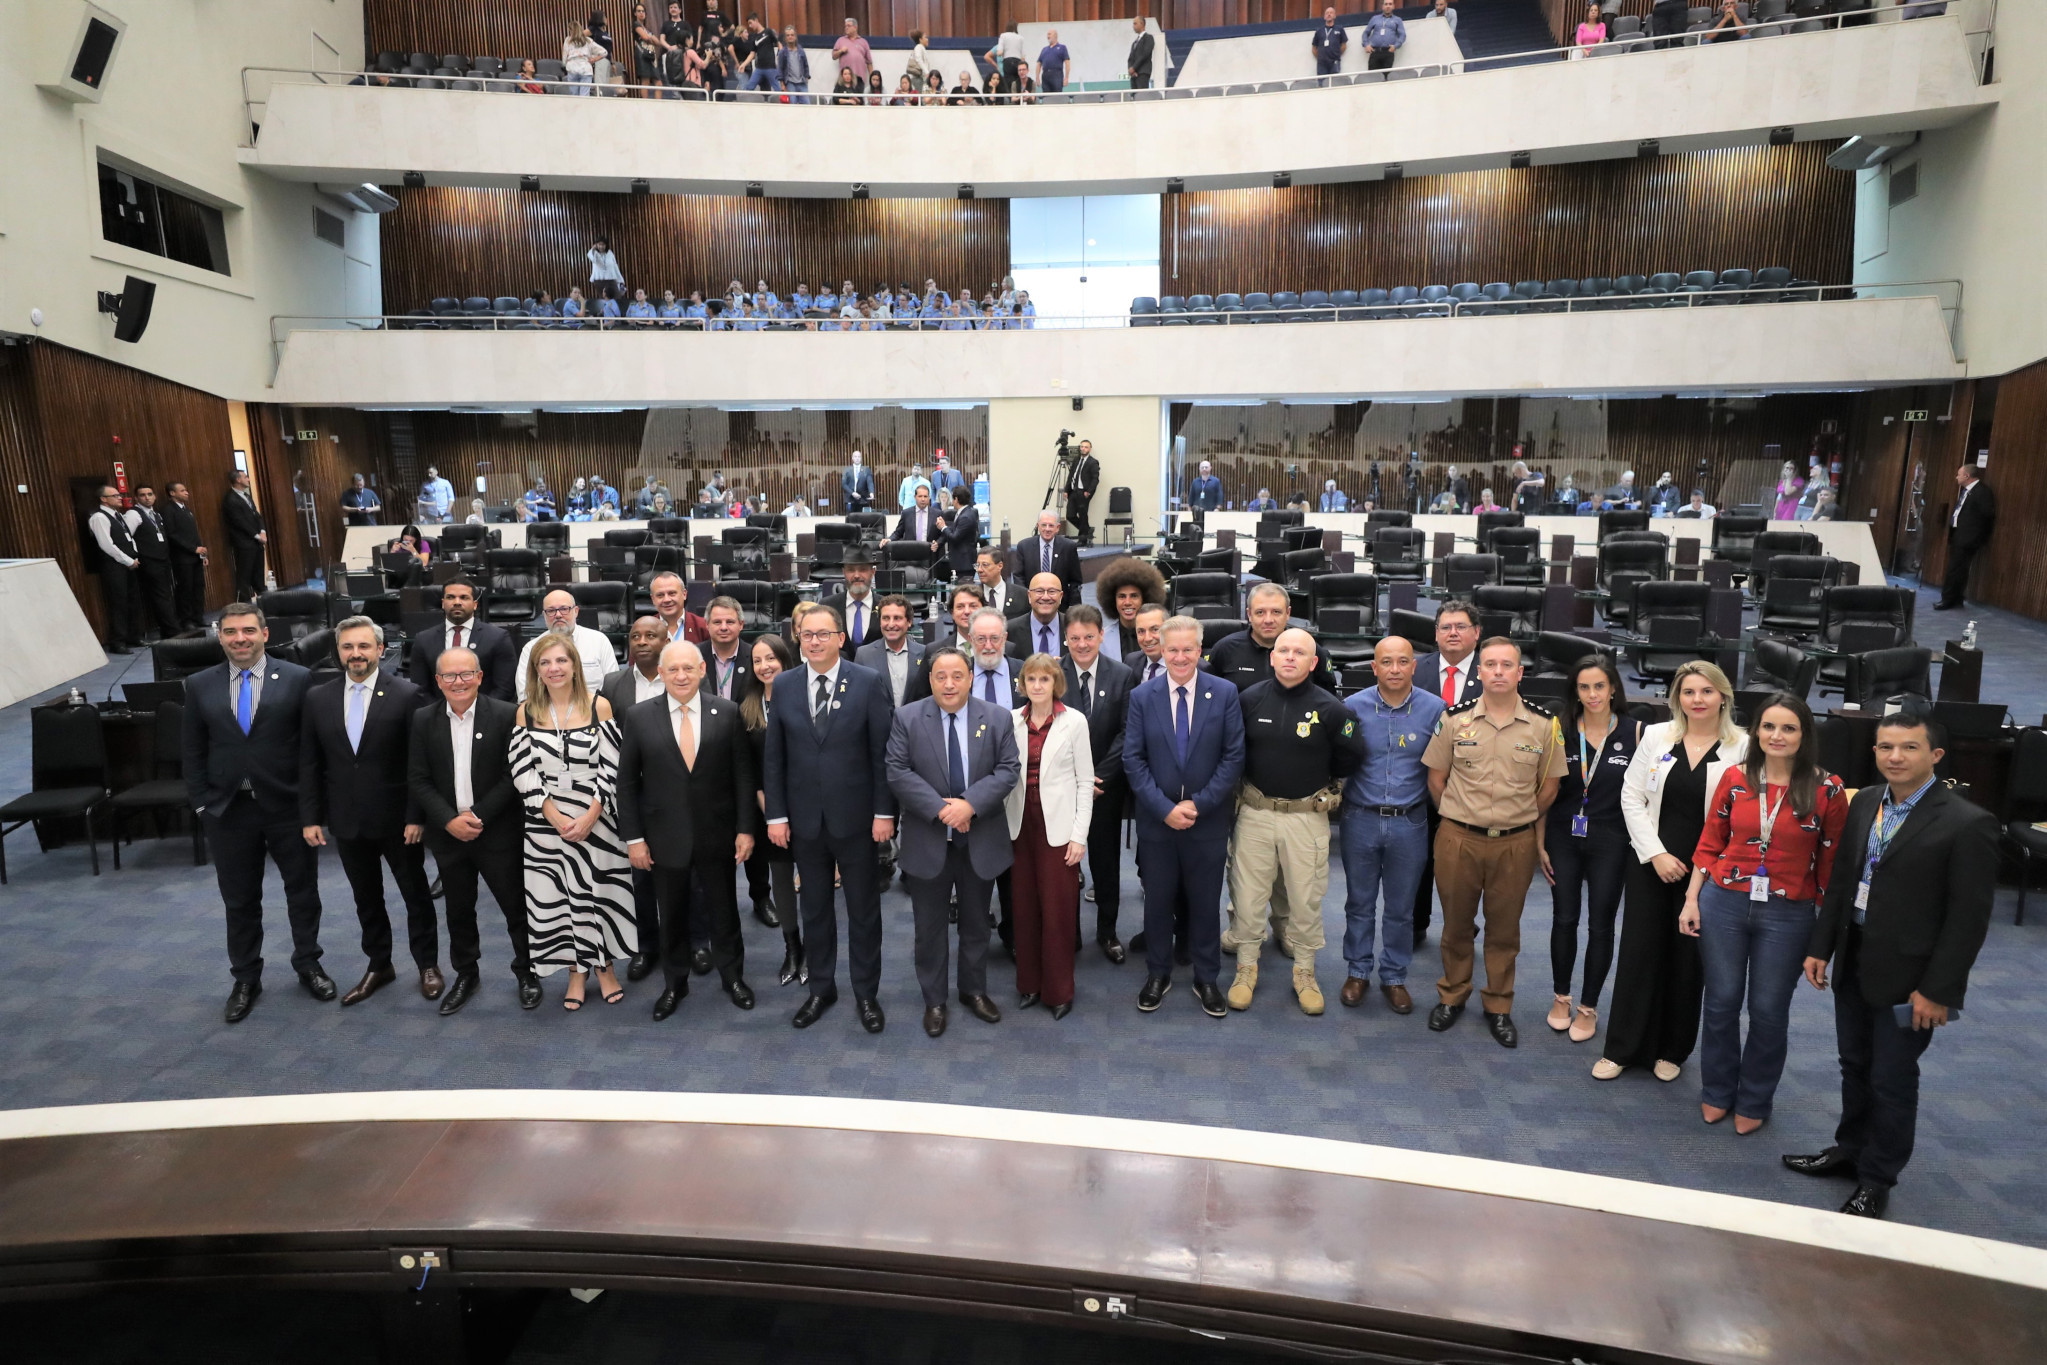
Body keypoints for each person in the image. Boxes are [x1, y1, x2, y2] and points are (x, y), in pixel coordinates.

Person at [1786, 714, 1996, 1219]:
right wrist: (1821, 947)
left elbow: (1967, 920)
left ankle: (1878, 1178)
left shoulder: (1968, 823)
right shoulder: (1865, 802)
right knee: (1854, 1066)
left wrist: (1939, 991)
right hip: (1855, 957)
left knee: (1892, 1079)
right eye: (1885, 747)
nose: (1895, 757)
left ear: (1935, 756)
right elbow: (1842, 883)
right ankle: (1850, 1151)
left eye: (1908, 747)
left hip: (1912, 979)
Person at [1684, 693, 1847, 1133]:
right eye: (1769, 726)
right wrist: (1692, 898)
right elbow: (1709, 842)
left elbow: (1833, 865)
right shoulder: (1736, 778)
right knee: (1720, 1003)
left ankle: (1755, 1099)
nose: (1777, 736)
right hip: (1724, 902)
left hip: (1788, 913)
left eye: (1788, 728)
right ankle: (1717, 1092)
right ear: (1756, 731)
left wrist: (1824, 938)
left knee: (1768, 1010)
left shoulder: (1827, 789)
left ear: (1803, 735)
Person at [1599, 660, 1747, 1082]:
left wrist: (1703, 869)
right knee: (1638, 954)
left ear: (1723, 696)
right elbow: (1631, 797)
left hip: (1710, 871)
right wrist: (1656, 854)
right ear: (1676, 698)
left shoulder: (1744, 747)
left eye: (1706, 692)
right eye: (1688, 692)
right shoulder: (1658, 735)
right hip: (1652, 862)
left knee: (1688, 962)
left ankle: (1672, 1050)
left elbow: (1742, 819)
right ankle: (1621, 1048)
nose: (1697, 700)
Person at [184, 602, 328, 1023]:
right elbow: (192, 750)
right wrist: (201, 804)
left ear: (265, 633)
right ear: (220, 636)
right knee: (240, 900)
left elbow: (310, 751)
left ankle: (308, 964)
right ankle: (246, 977)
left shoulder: (299, 678)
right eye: (230, 632)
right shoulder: (198, 684)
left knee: (302, 893)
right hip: (229, 812)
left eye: (248, 630)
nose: (239, 639)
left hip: (287, 807)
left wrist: (311, 810)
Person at [1420, 637, 1564, 1047]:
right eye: (1490, 664)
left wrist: (1514, 817)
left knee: (1504, 930)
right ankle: (1453, 994)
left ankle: (1499, 1005)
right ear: (1478, 672)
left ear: (1520, 673)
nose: (1498, 671)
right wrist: (1462, 815)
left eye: (1507, 665)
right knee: (1456, 925)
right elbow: (1436, 779)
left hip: (1514, 844)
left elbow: (1550, 788)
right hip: (1458, 838)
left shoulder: (1543, 725)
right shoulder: (1453, 719)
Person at [763, 604, 897, 1033]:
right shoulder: (783, 685)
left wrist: (883, 813)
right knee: (815, 909)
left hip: (858, 820)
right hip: (804, 822)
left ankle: (866, 993)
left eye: (823, 634)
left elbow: (883, 754)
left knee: (863, 910)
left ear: (841, 638)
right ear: (798, 639)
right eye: (807, 635)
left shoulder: (868, 682)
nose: (815, 641)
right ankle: (821, 988)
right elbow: (775, 758)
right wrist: (777, 816)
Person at [1223, 628, 1365, 1016]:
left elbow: (1350, 755)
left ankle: (1304, 972)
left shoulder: (1333, 709)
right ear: (1272, 657)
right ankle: (1246, 966)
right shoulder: (1247, 700)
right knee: (1247, 897)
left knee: (1306, 898)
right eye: (1282, 650)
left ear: (1313, 662)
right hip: (1254, 813)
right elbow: (1233, 751)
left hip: (1305, 819)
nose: (1289, 657)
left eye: (1299, 652)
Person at [299, 616, 438, 1007]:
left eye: (363, 646)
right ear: (338, 652)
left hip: (399, 822)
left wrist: (417, 816)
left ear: (380, 650)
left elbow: (419, 764)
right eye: (347, 647)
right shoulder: (317, 697)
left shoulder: (408, 694)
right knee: (366, 899)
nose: (355, 654)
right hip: (347, 820)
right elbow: (309, 763)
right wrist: (311, 817)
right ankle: (380, 964)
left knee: (416, 896)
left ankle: (428, 964)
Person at [617, 639, 757, 1021]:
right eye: (673, 669)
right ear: (661, 674)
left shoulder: (726, 713)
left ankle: (733, 978)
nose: (681, 675)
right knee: (672, 915)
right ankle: (674, 984)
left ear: (701, 671)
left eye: (688, 668)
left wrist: (746, 829)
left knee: (725, 912)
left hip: (718, 834)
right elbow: (627, 783)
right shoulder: (639, 715)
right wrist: (634, 839)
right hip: (664, 839)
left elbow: (743, 777)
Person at [886, 646, 1019, 1037]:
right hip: (929, 840)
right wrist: (944, 810)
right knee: (928, 929)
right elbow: (896, 770)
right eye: (940, 676)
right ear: (930, 680)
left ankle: (973, 991)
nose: (949, 683)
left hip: (981, 840)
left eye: (957, 676)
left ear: (971, 678)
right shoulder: (907, 717)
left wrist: (969, 805)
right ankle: (935, 1000)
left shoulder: (996, 717)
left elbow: (1008, 769)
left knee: (977, 925)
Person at [1126, 614, 1245, 1018]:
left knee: (1205, 901)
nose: (1179, 657)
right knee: (1157, 902)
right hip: (1157, 823)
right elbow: (1133, 760)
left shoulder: (1225, 692)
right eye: (1172, 649)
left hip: (1206, 822)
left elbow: (1233, 757)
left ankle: (1206, 977)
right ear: (1162, 649)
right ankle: (1158, 973)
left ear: (1200, 649)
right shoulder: (1143, 696)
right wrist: (1165, 808)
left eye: (1187, 649)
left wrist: (1200, 803)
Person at [511, 634, 634, 1010]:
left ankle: (605, 967)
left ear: (575, 665)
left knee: (598, 894)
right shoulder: (526, 711)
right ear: (536, 670)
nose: (554, 669)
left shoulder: (600, 707)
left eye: (561, 661)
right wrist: (554, 815)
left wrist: (591, 815)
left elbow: (613, 767)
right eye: (545, 663)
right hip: (547, 823)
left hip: (597, 820)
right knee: (561, 898)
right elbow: (522, 770)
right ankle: (575, 970)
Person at [1537, 656, 1640, 1044]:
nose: (1593, 695)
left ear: (1613, 687)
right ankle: (1561, 996)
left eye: (1600, 686)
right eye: (1584, 687)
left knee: (1601, 923)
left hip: (1611, 840)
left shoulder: (1637, 732)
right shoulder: (1559, 729)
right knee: (1564, 917)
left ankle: (1589, 1006)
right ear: (1574, 691)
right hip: (1562, 837)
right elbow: (1546, 793)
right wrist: (1538, 843)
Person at [1339, 635, 1445, 1015]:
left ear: (1414, 666)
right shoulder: (1352, 708)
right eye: (1387, 662)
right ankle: (1357, 970)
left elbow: (1443, 766)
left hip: (1410, 822)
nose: (1395, 669)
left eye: (1403, 661)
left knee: (1401, 908)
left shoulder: (1436, 709)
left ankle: (1394, 976)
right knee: (1359, 903)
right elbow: (1340, 760)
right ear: (1375, 667)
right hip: (1360, 819)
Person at [1002, 652, 1094, 1017]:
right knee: (1023, 909)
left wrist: (1079, 836)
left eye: (1045, 679)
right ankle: (1029, 984)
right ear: (1022, 684)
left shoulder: (1074, 722)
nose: (1037, 686)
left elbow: (1085, 783)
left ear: (1056, 683)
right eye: (1031, 680)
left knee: (1057, 912)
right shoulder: (1010, 721)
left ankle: (1058, 992)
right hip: (1019, 827)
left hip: (1059, 830)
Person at [1059, 606, 1134, 963]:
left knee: (1106, 864)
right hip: (1060, 789)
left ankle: (1107, 932)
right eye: (1075, 638)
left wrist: (1096, 778)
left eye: (1089, 636)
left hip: (1105, 787)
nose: (1082, 644)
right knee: (1065, 866)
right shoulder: (1052, 673)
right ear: (1065, 639)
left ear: (1102, 636)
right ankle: (1068, 934)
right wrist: (1075, 782)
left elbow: (1126, 732)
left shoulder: (1121, 675)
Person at [601, 615, 672, 979]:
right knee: (639, 875)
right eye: (635, 636)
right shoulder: (612, 684)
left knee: (686, 874)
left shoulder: (680, 676)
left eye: (651, 635)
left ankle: (695, 940)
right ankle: (647, 946)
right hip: (632, 792)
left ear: (666, 640)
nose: (642, 641)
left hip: (677, 792)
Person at [1409, 600, 1483, 942]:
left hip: (1473, 785)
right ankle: (1416, 923)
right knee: (1418, 860)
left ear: (1477, 633)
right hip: (1420, 781)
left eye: (1461, 626)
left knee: (1466, 866)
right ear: (1436, 634)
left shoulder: (1492, 670)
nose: (1453, 633)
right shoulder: (1415, 669)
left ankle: (1462, 925)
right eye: (1445, 627)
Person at [739, 633, 805, 982]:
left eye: (771, 659)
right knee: (781, 881)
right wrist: (770, 807)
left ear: (785, 659)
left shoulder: (803, 697)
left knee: (813, 881)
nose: (765, 666)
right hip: (769, 813)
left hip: (808, 808)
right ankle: (792, 949)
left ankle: (814, 948)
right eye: (757, 660)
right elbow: (746, 767)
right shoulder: (747, 705)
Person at [1204, 583, 1338, 693]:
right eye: (1260, 612)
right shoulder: (1225, 649)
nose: (1268, 620)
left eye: (1276, 612)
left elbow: (1329, 702)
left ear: (1288, 613)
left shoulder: (1311, 650)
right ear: (1249, 614)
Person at [408, 577, 517, 705]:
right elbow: (420, 689)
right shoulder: (423, 640)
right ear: (443, 603)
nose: (457, 602)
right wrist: (441, 714)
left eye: (464, 597)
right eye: (451, 597)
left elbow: (505, 688)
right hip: (438, 717)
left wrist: (480, 712)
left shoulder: (498, 638)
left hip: (486, 716)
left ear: (475, 604)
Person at [514, 591, 616, 699]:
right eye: (551, 610)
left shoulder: (599, 641)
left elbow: (613, 688)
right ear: (544, 615)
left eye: (564, 609)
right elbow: (525, 695)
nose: (558, 615)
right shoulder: (531, 648)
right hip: (546, 713)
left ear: (576, 611)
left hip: (594, 711)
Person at [85, 482, 140, 653]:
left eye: (119, 495)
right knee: (119, 603)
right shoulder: (99, 518)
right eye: (115, 496)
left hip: (129, 564)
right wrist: (127, 560)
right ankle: (118, 641)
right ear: (104, 499)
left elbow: (128, 538)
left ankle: (133, 636)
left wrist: (134, 555)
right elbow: (106, 545)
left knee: (133, 600)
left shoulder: (118, 516)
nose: (120, 498)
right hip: (114, 566)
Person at [124, 485, 181, 642]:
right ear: (136, 498)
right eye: (142, 495)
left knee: (166, 594)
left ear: (155, 496)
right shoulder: (133, 514)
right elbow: (127, 537)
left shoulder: (155, 514)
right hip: (148, 561)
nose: (147, 497)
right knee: (160, 595)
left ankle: (170, 627)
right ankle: (172, 630)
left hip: (162, 560)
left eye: (150, 494)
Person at [1937, 462, 1995, 610]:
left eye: (1959, 474)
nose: (1956, 477)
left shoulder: (1982, 492)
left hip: (1968, 538)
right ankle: (1956, 598)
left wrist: (1977, 537)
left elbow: (1987, 516)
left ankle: (1948, 600)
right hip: (1958, 535)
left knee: (1955, 569)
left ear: (1967, 476)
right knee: (1958, 569)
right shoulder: (1967, 491)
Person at [1092, 556, 1163, 672]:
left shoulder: (1158, 636)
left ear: (1144, 599)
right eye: (1122, 596)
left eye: (1134, 596)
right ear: (1112, 600)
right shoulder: (1102, 639)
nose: (1128, 602)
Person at [856, 593, 924, 707]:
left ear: (909, 622)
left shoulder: (924, 653)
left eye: (897, 618)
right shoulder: (864, 655)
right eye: (886, 618)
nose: (891, 624)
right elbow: (858, 697)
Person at [162, 481, 209, 631]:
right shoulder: (169, 510)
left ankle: (198, 616)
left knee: (198, 587)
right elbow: (172, 535)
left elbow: (194, 534)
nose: (186, 493)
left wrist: (202, 553)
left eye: (186, 490)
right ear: (172, 493)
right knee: (185, 588)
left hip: (196, 556)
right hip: (182, 557)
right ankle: (186, 620)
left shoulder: (187, 510)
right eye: (182, 490)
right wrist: (193, 548)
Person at [822, 548, 883, 657]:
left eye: (863, 570)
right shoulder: (827, 606)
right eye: (851, 570)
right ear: (844, 572)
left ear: (873, 572)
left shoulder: (885, 606)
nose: (856, 575)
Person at [1014, 510, 1081, 607]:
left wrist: (1074, 606)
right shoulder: (1024, 546)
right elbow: (1018, 576)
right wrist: (1028, 599)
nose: (1047, 529)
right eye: (1044, 525)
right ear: (1038, 526)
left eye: (1051, 525)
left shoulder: (1068, 547)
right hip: (1031, 604)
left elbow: (1075, 580)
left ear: (1057, 527)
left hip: (1060, 604)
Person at [221, 469, 268, 600]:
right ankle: (244, 605)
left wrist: (263, 531)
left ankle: (264, 600)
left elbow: (257, 516)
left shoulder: (246, 496)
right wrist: (257, 536)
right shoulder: (230, 499)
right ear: (238, 480)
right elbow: (239, 522)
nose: (248, 479)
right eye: (246, 477)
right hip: (244, 543)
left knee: (258, 572)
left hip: (257, 541)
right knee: (244, 575)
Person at [1009, 572, 1068, 660]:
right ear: (1029, 596)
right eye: (1039, 591)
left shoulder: (1072, 627)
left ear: (1061, 596)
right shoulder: (1010, 630)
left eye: (1052, 591)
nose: (1045, 597)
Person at [646, 571, 711, 645]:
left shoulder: (703, 626)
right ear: (653, 599)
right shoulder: (645, 628)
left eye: (672, 593)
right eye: (660, 595)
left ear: (684, 594)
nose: (666, 599)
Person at [1065, 438, 1100, 547]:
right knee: (1070, 515)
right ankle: (1088, 530)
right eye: (1082, 446)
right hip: (1073, 491)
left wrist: (1089, 491)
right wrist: (1066, 490)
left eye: (1086, 447)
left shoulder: (1093, 462)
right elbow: (1071, 476)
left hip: (1084, 492)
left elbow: (1095, 479)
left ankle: (1082, 539)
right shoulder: (1076, 460)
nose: (1083, 449)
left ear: (1090, 449)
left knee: (1083, 515)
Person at [1126, 601, 1169, 685]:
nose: (1147, 638)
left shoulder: (1188, 664)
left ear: (1169, 630)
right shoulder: (1131, 662)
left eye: (1155, 629)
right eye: (1141, 631)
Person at [1362, 0, 1405, 70]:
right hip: (1375, 51)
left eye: (1390, 4)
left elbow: (1402, 35)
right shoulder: (1375, 19)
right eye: (1386, 4)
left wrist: (1396, 46)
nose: (1388, 6)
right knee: (1372, 76)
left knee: (1386, 76)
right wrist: (1366, 45)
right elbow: (1366, 33)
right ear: (1382, 6)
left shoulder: (1398, 20)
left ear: (1393, 6)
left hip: (1388, 51)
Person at [564, 23, 605, 93]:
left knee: (574, 96)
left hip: (572, 68)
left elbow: (565, 57)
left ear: (571, 31)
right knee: (584, 96)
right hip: (585, 69)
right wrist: (594, 59)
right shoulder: (588, 40)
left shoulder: (568, 40)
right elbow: (604, 52)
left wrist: (565, 64)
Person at [832, 17, 871, 85]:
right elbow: (834, 56)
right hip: (844, 79)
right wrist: (840, 51)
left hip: (859, 79)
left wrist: (871, 77)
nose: (846, 28)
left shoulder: (863, 42)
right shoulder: (840, 40)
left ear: (855, 27)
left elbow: (869, 62)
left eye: (849, 26)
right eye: (845, 26)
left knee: (858, 96)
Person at [1311, 7, 1347, 78]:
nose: (1329, 14)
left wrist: (1337, 54)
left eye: (1331, 13)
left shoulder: (1340, 29)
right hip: (1322, 63)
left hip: (1334, 62)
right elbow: (1314, 47)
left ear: (1335, 16)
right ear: (1324, 17)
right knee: (1322, 84)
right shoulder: (1319, 31)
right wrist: (1320, 57)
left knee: (1334, 83)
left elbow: (1344, 45)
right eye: (1327, 13)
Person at [1035, 29, 1070, 94]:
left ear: (1055, 35)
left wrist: (1066, 77)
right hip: (1045, 76)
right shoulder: (1044, 49)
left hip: (1057, 75)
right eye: (1047, 34)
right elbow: (1039, 63)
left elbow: (1067, 63)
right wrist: (1037, 77)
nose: (1048, 36)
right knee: (1046, 96)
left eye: (1049, 34)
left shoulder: (1062, 47)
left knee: (1056, 96)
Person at [1126, 14, 1155, 90]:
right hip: (1134, 75)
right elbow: (1130, 58)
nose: (1133, 26)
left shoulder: (1148, 38)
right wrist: (1130, 69)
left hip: (1143, 72)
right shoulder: (1135, 42)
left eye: (1135, 23)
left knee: (1141, 96)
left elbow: (1145, 54)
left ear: (1142, 24)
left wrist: (1134, 67)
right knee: (1134, 96)